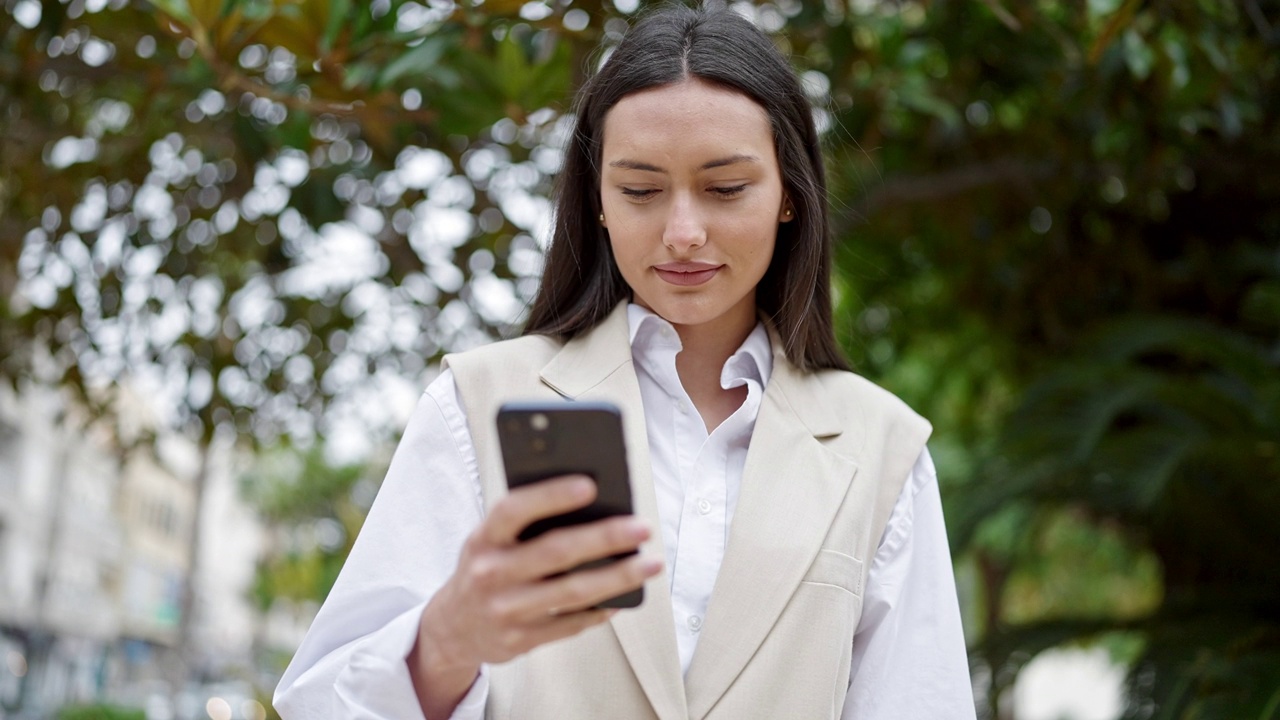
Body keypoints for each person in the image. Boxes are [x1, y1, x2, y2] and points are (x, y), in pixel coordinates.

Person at [274, 5, 975, 719]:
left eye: (726, 188)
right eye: (639, 190)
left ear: (790, 194)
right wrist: (445, 643)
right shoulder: (480, 405)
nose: (682, 233)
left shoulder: (880, 450)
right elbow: (318, 704)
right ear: (599, 200)